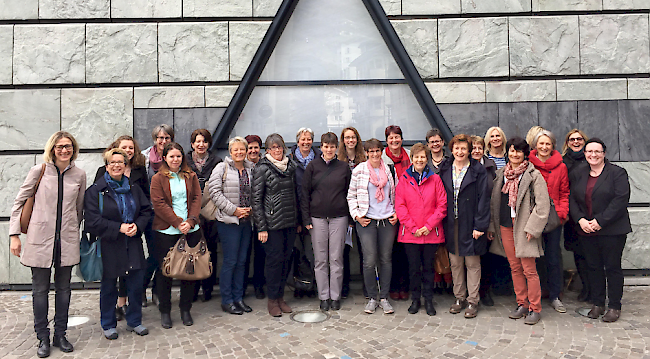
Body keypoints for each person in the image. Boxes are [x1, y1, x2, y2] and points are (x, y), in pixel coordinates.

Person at [9, 131, 86, 358]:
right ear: (52, 149)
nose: (64, 150)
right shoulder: (39, 171)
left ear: (74, 149)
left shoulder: (79, 174)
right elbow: (20, 201)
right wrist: (14, 234)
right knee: (40, 290)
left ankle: (60, 334)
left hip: (67, 240)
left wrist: (72, 228)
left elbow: (79, 209)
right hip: (40, 240)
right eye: (60, 146)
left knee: (64, 290)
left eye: (68, 146)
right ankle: (42, 336)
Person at [85, 149, 153, 339]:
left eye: (120, 162)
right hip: (109, 244)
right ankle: (108, 323)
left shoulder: (133, 187)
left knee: (135, 284)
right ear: (106, 166)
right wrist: (119, 228)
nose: (116, 165)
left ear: (125, 165)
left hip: (132, 242)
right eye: (112, 162)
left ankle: (135, 321)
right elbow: (92, 221)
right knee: (109, 286)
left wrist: (137, 226)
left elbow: (146, 211)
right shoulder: (95, 191)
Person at [488, 137, 549, 325]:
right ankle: (521, 303)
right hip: (505, 226)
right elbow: (493, 204)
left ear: (525, 154)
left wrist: (533, 228)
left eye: (519, 151)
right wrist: (492, 226)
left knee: (529, 269)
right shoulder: (501, 174)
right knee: (515, 267)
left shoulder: (533, 175)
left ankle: (534, 308)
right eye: (512, 151)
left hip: (524, 227)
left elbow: (542, 205)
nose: (515, 154)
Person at [569, 138, 631, 323]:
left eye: (597, 151)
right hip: (586, 230)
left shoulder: (617, 173)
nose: (593, 155)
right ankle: (597, 303)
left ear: (604, 153)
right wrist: (580, 219)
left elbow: (620, 199)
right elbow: (571, 198)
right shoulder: (578, 172)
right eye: (589, 151)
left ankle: (614, 306)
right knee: (593, 267)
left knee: (612, 267)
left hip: (612, 230)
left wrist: (600, 221)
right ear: (585, 153)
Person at [150, 142, 202, 329]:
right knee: (166, 273)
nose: (175, 159)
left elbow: (197, 198)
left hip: (191, 230)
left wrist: (190, 221)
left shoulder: (191, 176)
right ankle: (165, 311)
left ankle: (185, 309)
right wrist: (177, 222)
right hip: (167, 231)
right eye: (171, 156)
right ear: (165, 158)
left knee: (188, 272)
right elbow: (159, 203)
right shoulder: (157, 179)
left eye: (178, 156)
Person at [439, 135, 490, 318]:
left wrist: (480, 225)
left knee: (472, 262)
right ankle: (459, 297)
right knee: (455, 262)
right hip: (451, 222)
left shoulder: (478, 170)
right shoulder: (445, 169)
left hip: (471, 222)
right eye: (456, 148)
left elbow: (484, 200)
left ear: (469, 150)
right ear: (451, 150)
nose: (460, 152)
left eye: (463, 149)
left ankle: (472, 300)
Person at [395, 143, 447, 316]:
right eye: (416, 156)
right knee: (414, 269)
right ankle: (415, 300)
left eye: (422, 157)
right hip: (411, 234)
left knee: (429, 269)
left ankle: (429, 300)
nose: (419, 160)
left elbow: (442, 205)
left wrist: (428, 226)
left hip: (430, 233)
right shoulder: (404, 178)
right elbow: (400, 205)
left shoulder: (435, 179)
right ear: (412, 158)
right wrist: (412, 227)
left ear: (427, 158)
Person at [348, 138, 399, 315]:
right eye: (371, 151)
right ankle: (372, 297)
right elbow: (351, 196)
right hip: (367, 221)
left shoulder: (389, 169)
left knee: (386, 259)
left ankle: (384, 297)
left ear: (381, 152)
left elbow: (397, 193)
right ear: (366, 153)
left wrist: (396, 213)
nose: (375, 154)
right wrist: (357, 216)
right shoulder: (359, 171)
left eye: (378, 151)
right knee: (369, 261)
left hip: (387, 220)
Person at [302, 132, 352, 311]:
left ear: (336, 147)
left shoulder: (343, 167)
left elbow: (349, 193)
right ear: (321, 147)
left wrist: (351, 218)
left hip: (339, 217)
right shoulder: (312, 167)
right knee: (321, 260)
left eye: (332, 146)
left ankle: (335, 296)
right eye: (326, 146)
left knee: (336, 258)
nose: (329, 149)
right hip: (317, 218)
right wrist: (306, 218)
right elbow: (304, 194)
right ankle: (323, 296)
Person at [252, 134, 300, 317]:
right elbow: (256, 200)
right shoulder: (262, 169)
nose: (277, 151)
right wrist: (261, 227)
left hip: (289, 222)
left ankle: (281, 297)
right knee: (274, 262)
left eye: (279, 147)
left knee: (286, 260)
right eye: (273, 148)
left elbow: (296, 195)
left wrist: (298, 221)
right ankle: (272, 300)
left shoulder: (291, 167)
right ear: (267, 150)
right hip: (271, 225)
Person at [208, 137, 254, 315]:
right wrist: (234, 210)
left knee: (242, 261)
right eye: (236, 150)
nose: (239, 153)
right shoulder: (222, 167)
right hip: (228, 222)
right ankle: (227, 300)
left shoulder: (251, 169)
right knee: (230, 261)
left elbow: (255, 192)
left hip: (246, 222)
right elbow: (214, 192)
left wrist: (249, 210)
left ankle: (238, 297)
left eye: (242, 149)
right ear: (230, 151)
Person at [529, 130, 570, 313]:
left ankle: (555, 295)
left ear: (552, 146)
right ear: (535, 145)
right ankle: (536, 295)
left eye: (548, 144)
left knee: (553, 257)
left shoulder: (560, 166)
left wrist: (561, 214)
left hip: (554, 219)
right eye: (541, 143)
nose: (544, 147)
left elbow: (564, 193)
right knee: (534, 257)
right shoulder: (528, 164)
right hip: (532, 218)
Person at [186, 129, 223, 303]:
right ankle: (192, 291)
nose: (201, 145)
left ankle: (208, 289)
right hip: (189, 215)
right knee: (190, 253)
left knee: (210, 252)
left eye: (204, 141)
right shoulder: (184, 161)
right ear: (192, 144)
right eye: (197, 141)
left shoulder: (217, 162)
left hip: (210, 213)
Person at [141, 124, 174, 307]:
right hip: (151, 213)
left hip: (170, 215)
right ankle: (141, 289)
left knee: (166, 255)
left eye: (166, 138)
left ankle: (157, 291)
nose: (163, 141)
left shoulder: (175, 156)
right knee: (155, 254)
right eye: (160, 138)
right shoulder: (145, 158)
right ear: (155, 139)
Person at [288, 128, 321, 298]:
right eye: (303, 139)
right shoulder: (290, 160)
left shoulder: (320, 157)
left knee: (314, 252)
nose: (306, 142)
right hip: (296, 214)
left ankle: (313, 285)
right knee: (297, 252)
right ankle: (299, 286)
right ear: (297, 141)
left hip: (316, 212)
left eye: (309, 139)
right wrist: (298, 220)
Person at [561, 129, 591, 302]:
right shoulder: (564, 161)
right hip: (572, 216)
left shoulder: (591, 159)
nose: (576, 142)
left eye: (579, 139)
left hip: (589, 213)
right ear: (568, 142)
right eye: (572, 139)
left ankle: (592, 288)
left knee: (591, 254)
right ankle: (584, 286)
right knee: (578, 254)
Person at [337, 127, 367, 299]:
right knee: (343, 250)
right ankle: (344, 286)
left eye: (353, 137)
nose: (350, 140)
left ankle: (366, 286)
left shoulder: (364, 158)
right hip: (343, 211)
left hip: (362, 211)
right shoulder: (338, 159)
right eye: (347, 137)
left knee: (365, 251)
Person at [382, 125, 410, 301]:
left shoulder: (410, 155)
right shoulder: (382, 157)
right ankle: (392, 286)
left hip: (409, 211)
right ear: (387, 141)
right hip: (389, 212)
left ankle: (405, 287)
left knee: (407, 251)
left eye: (397, 137)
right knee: (390, 252)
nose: (394, 141)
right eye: (391, 138)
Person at [470, 135, 497, 306]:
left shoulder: (490, 166)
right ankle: (469, 292)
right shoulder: (463, 167)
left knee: (485, 257)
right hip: (467, 218)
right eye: (473, 148)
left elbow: (493, 196)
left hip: (486, 218)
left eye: (479, 147)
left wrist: (490, 224)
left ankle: (484, 291)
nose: (477, 151)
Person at [243, 134, 266, 299]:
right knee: (243, 254)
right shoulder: (241, 166)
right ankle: (242, 287)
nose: (253, 150)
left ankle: (259, 286)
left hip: (262, 217)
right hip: (243, 217)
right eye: (249, 147)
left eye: (255, 147)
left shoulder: (265, 164)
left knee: (261, 254)